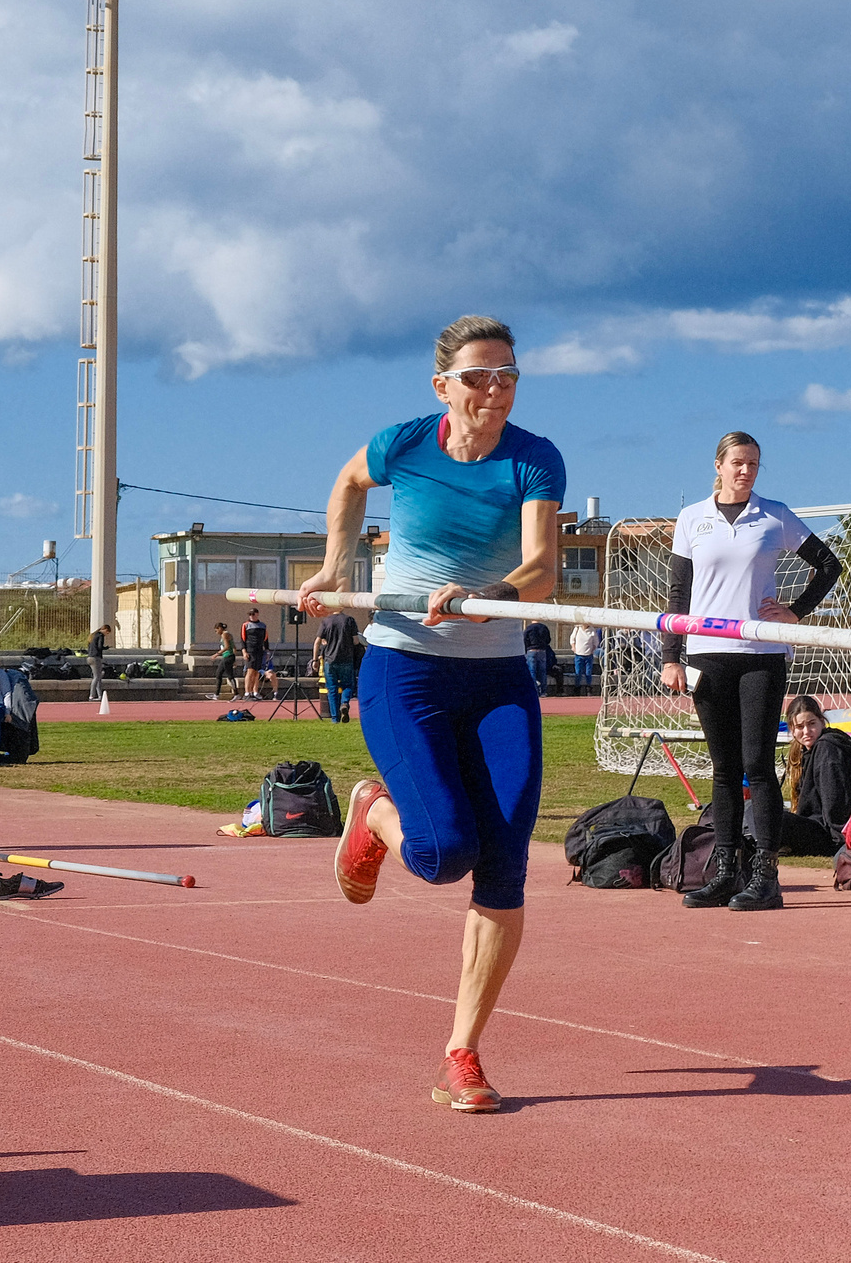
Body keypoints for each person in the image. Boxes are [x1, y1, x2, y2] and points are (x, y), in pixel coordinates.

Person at [298, 314, 565, 1114]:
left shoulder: (534, 457)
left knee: (507, 858)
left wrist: (495, 600)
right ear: (443, 385)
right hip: (404, 671)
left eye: (508, 375)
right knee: (444, 854)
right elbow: (349, 480)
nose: (494, 389)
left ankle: (463, 1052)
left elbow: (544, 566)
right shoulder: (404, 443)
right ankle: (373, 809)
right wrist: (333, 564)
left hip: (497, 678)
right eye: (479, 376)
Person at [662, 432, 843, 911]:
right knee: (723, 769)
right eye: (738, 463)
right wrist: (670, 655)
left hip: (760, 653)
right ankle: (725, 870)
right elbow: (678, 594)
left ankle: (766, 873)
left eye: (754, 465)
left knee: (758, 765)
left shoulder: (775, 514)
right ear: (718, 465)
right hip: (705, 653)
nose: (746, 471)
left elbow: (828, 565)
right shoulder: (690, 519)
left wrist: (796, 610)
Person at [779, 692, 851, 857]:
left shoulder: (827, 749)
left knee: (765, 816)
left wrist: (840, 839)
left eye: (812, 724)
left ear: (822, 722)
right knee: (754, 810)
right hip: (817, 826)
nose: (807, 731)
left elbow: (836, 802)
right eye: (800, 727)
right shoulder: (807, 751)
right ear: (792, 728)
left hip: (830, 835)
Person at [313, 607, 364, 721]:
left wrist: (315, 660)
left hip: (330, 660)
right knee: (348, 685)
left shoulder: (326, 621)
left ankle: (335, 718)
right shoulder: (349, 620)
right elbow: (355, 641)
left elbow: (317, 643)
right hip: (346, 659)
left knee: (332, 689)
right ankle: (344, 703)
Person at [239, 608, 271, 701]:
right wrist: (244, 651)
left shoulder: (263, 626)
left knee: (257, 671)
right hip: (250, 650)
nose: (251, 616)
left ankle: (255, 691)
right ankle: (247, 692)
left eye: (253, 614)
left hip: (259, 650)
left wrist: (267, 651)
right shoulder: (245, 625)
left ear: (257, 614)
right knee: (250, 671)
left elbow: (266, 639)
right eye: (250, 614)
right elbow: (242, 639)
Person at [522, 620, 555, 696]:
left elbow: (525, 640)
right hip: (542, 650)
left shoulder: (529, 628)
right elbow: (548, 639)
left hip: (531, 650)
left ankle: (534, 691)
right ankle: (543, 691)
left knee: (532, 671)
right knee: (542, 672)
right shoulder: (544, 627)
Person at [567, 622, 599, 693]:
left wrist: (592, 649)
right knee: (578, 672)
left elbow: (596, 641)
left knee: (588, 673)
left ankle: (589, 688)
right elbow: (572, 639)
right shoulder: (577, 628)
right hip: (579, 655)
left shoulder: (592, 630)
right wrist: (573, 647)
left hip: (588, 655)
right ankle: (577, 688)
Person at [210, 623, 239, 700]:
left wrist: (216, 654)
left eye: (216, 631)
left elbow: (227, 646)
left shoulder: (224, 635)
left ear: (219, 628)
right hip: (228, 656)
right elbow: (234, 647)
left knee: (229, 675)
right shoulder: (229, 634)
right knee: (218, 673)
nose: (216, 633)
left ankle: (236, 693)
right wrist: (234, 659)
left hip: (228, 656)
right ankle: (216, 694)